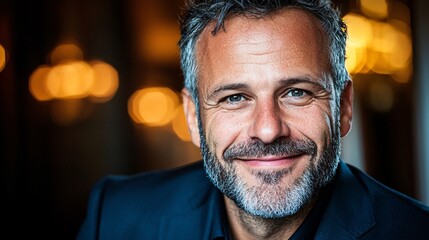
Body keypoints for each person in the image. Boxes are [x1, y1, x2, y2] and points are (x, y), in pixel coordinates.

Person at [77, 0, 429, 239]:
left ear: (344, 107)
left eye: (297, 92)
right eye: (234, 98)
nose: (268, 129)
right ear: (192, 115)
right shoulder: (116, 216)